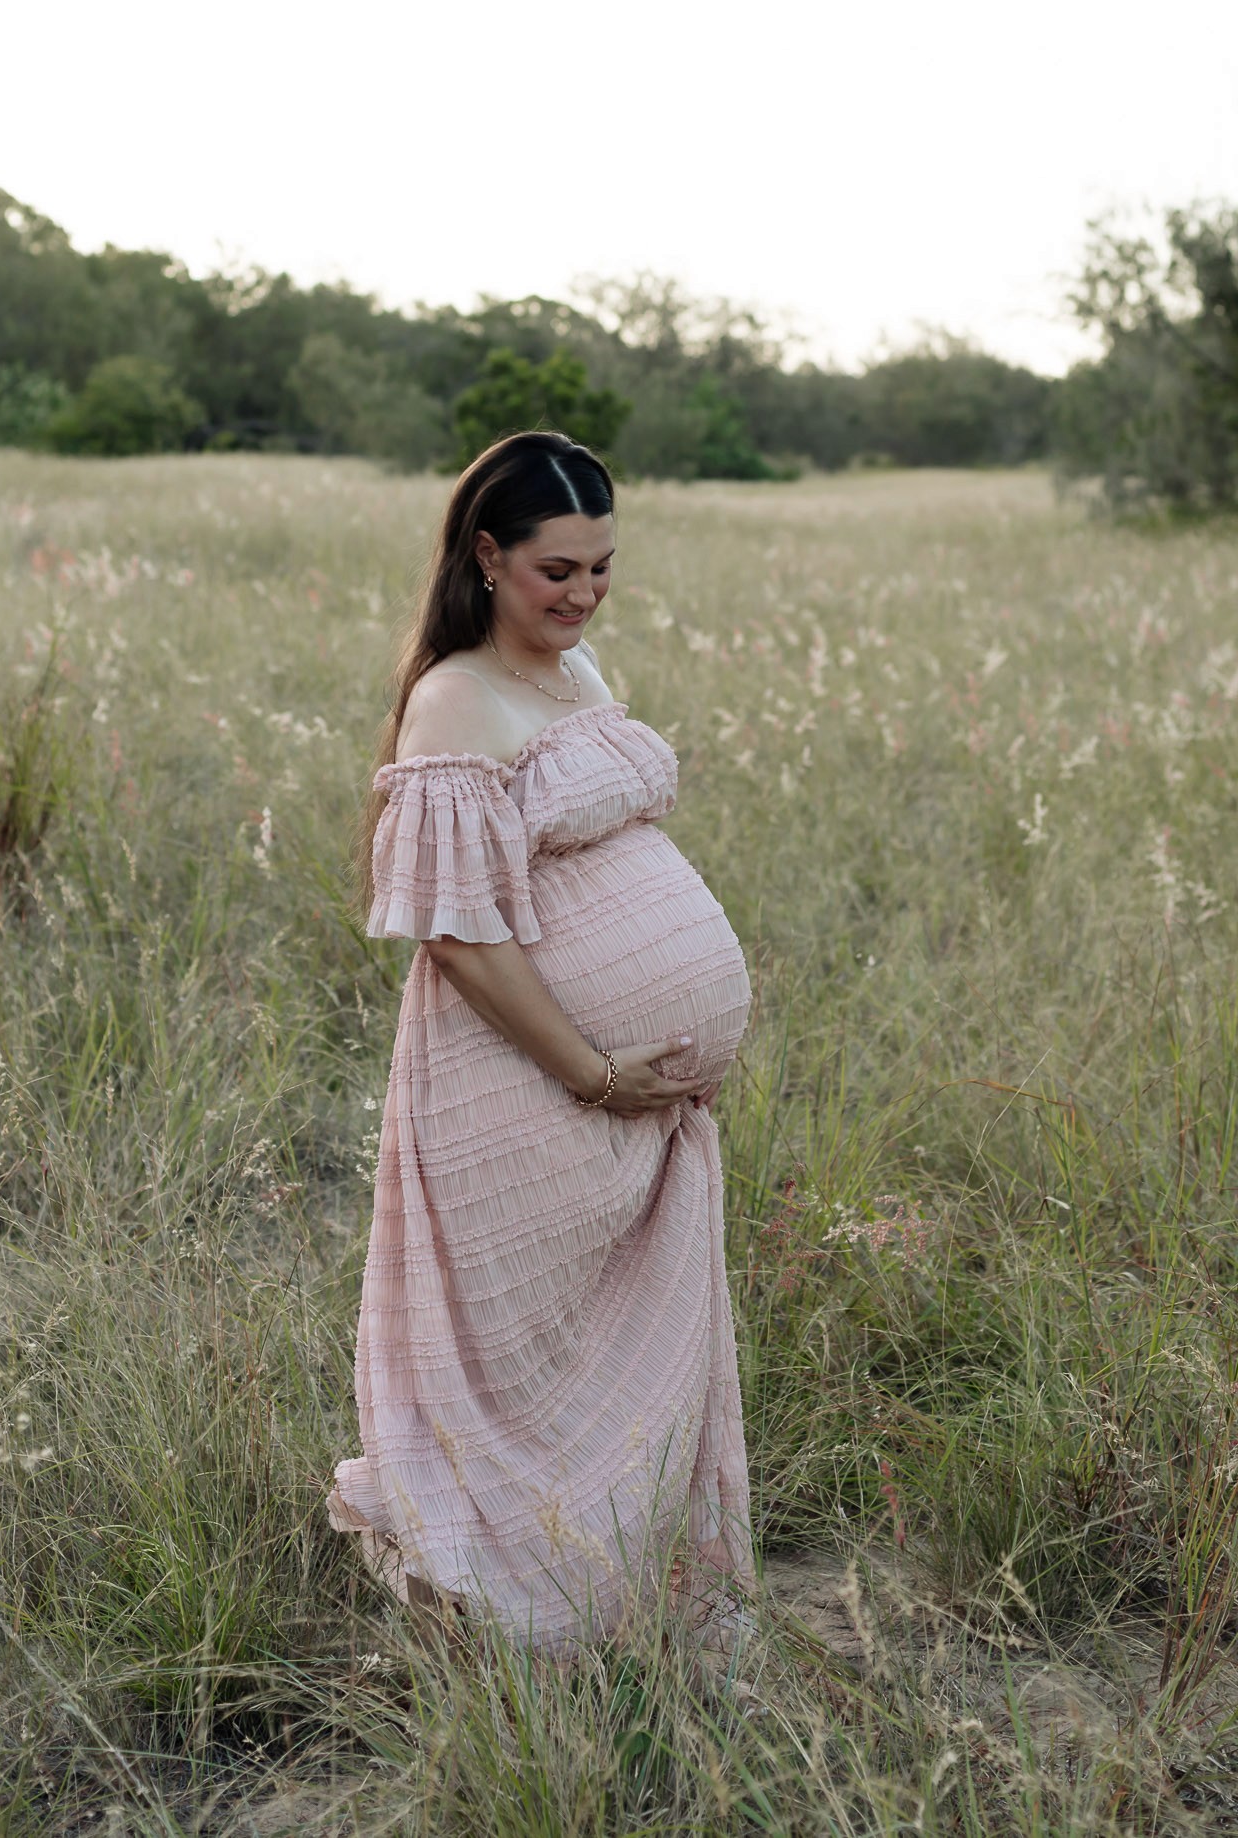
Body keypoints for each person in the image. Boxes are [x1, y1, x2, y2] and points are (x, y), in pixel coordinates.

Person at [327, 431, 755, 1649]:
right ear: (486, 554)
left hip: (634, 1097)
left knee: (618, 1352)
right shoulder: (452, 695)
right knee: (526, 1361)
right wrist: (591, 1068)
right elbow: (457, 937)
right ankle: (518, 1620)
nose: (579, 595)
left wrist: (644, 1066)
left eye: (601, 570)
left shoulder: (580, 673)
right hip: (519, 1081)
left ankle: (613, 1601)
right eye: (554, 571)